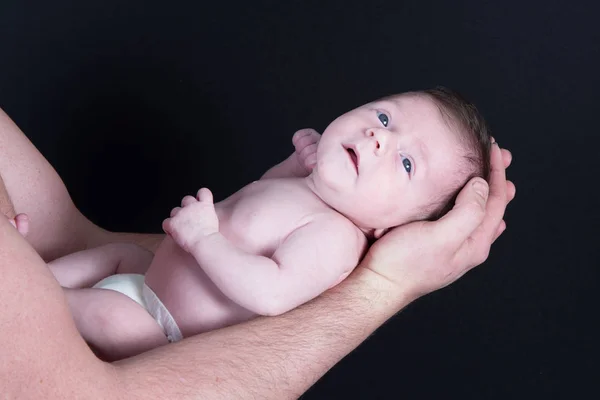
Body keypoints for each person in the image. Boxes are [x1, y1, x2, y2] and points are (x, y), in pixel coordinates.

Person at [0, 100, 515, 399]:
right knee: (103, 259)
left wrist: (204, 240)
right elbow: (255, 203)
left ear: (391, 231)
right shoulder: (305, 189)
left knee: (102, 314)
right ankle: (31, 271)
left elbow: (270, 292)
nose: (381, 139)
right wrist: (293, 166)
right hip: (144, 278)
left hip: (157, 327)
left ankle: (31, 286)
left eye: (407, 164)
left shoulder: (335, 239)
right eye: (384, 118)